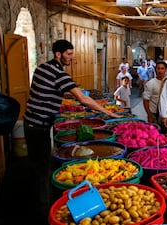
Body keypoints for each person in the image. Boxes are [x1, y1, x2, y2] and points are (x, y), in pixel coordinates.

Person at [23, 39, 121, 224]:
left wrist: (71, 94)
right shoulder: (58, 73)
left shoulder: (43, 68)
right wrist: (109, 113)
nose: (71, 58)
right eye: (68, 54)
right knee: (42, 169)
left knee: (38, 165)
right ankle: (44, 213)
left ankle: (41, 203)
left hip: (33, 123)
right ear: (58, 54)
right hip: (38, 125)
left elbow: (58, 90)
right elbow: (82, 99)